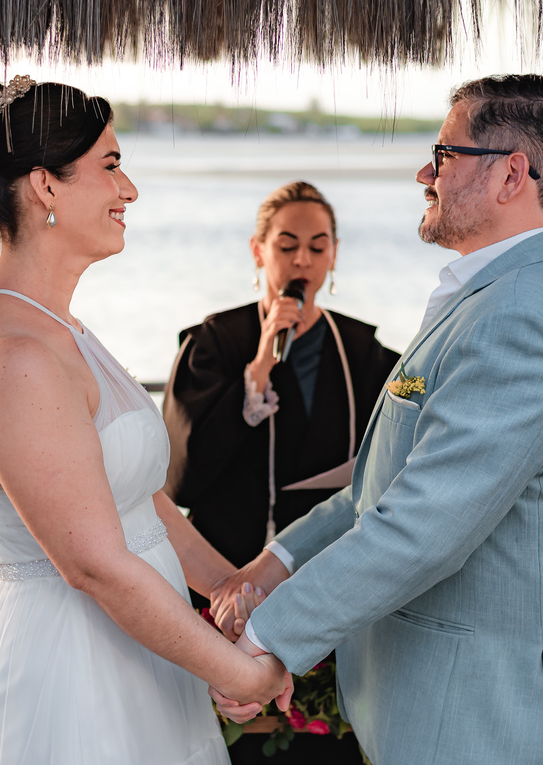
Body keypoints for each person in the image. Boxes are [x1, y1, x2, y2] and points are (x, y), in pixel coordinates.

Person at [0, 77, 289, 765]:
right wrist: (241, 672)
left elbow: (140, 501)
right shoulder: (14, 359)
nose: (128, 190)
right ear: (45, 185)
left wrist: (233, 590)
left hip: (141, 661)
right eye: (111, 165)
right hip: (70, 681)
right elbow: (96, 565)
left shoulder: (60, 330)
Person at [211, 74, 543, 765]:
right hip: (436, 707)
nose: (424, 172)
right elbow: (386, 488)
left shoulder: (523, 317)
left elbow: (424, 528)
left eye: (444, 153)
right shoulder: (498, 294)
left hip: (480, 718)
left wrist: (268, 638)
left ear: (511, 175)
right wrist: (277, 562)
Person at [163, 182, 400, 764]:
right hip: (227, 588)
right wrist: (257, 375)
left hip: (323, 586)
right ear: (258, 249)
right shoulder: (216, 342)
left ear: (334, 256)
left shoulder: (362, 352)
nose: (302, 261)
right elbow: (180, 480)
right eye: (288, 245)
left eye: (318, 248)